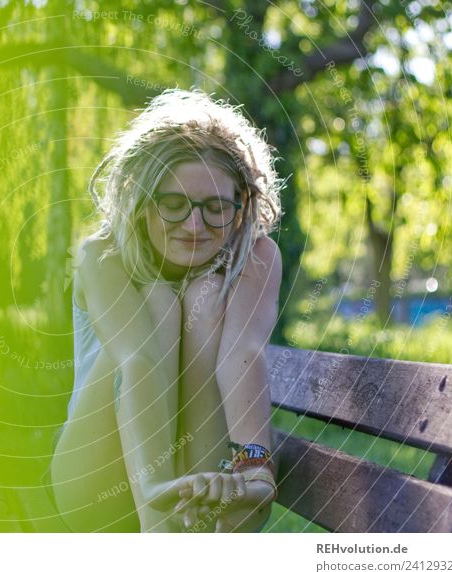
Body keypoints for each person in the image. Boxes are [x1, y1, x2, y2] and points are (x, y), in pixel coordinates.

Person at [48, 88, 283, 533]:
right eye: (173, 204)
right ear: (141, 201)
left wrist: (257, 470)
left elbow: (242, 354)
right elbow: (137, 361)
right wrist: (154, 488)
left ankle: (197, 518)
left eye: (215, 208)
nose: (194, 227)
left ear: (240, 208)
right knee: (158, 301)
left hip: (200, 468)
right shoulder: (103, 255)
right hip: (95, 478)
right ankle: (164, 530)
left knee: (205, 296)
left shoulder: (254, 257)